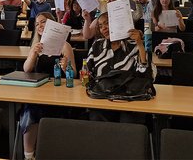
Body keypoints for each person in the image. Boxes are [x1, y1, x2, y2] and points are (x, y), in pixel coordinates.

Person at [21, 12, 76, 160]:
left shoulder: (65, 46)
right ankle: (28, 155)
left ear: (52, 25)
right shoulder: (36, 46)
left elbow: (75, 74)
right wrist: (33, 53)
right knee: (30, 110)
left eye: (43, 22)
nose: (40, 26)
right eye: (37, 24)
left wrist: (66, 67)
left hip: (60, 93)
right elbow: (26, 69)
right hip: (39, 92)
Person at [86, 12, 156, 122]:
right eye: (100, 26)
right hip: (103, 97)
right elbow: (88, 73)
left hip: (129, 97)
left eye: (107, 23)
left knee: (127, 121)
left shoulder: (133, 46)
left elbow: (145, 76)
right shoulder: (97, 46)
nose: (104, 28)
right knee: (96, 117)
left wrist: (140, 45)